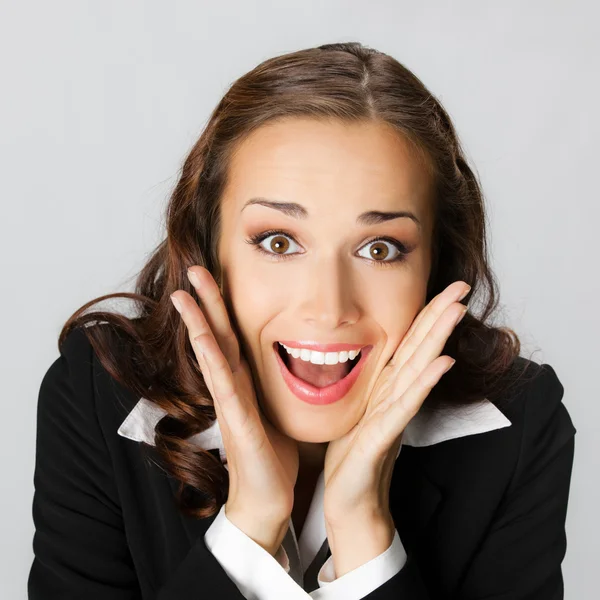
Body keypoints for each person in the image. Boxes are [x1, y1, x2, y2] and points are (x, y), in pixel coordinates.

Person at [28, 42, 576, 599]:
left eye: (381, 249)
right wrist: (248, 530)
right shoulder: (99, 393)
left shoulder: (520, 427)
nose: (329, 307)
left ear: (435, 267)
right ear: (208, 251)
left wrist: (365, 533)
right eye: (279, 241)